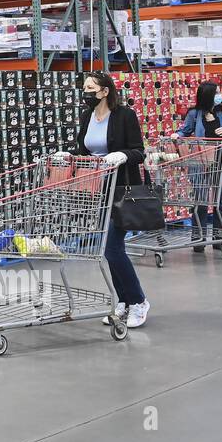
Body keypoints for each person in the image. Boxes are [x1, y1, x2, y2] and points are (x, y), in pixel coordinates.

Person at [66, 72, 151, 328]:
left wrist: (122, 155)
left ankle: (138, 301)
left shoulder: (124, 115)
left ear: (104, 91)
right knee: (110, 249)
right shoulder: (87, 117)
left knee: (111, 247)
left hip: (123, 189)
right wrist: (66, 156)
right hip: (98, 190)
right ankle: (124, 302)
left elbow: (139, 151)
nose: (86, 93)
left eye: (90, 88)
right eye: (84, 88)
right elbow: (84, 151)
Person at [175, 80, 222, 251]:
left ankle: (219, 240)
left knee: (220, 204)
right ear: (208, 96)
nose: (220, 96)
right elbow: (185, 130)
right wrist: (177, 134)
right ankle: (198, 240)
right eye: (217, 93)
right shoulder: (194, 114)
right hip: (201, 161)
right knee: (201, 202)